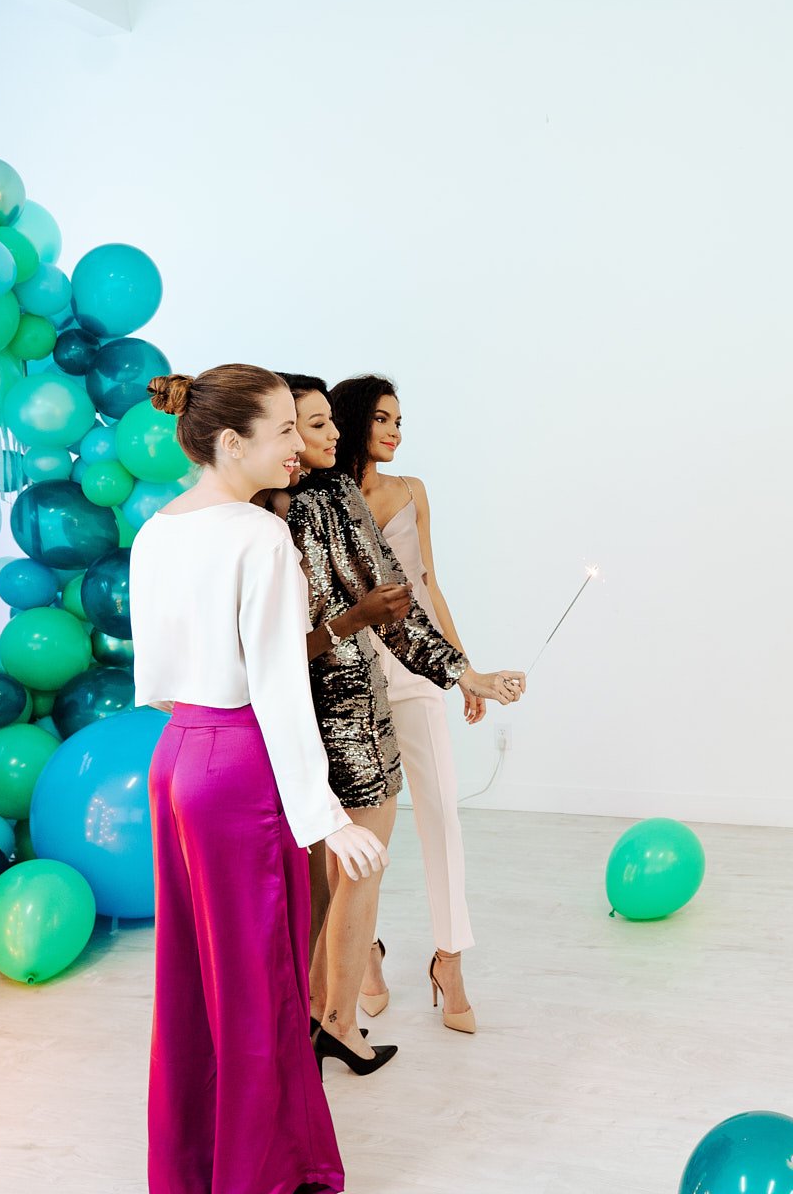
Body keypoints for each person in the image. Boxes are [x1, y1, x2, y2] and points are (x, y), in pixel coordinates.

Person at [130, 363, 386, 1194]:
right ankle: (262, 1176)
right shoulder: (257, 535)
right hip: (240, 765)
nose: (301, 447)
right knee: (261, 983)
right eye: (283, 431)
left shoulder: (156, 529)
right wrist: (325, 816)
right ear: (231, 442)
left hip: (174, 757)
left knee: (194, 982)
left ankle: (199, 1169)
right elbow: (278, 685)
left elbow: (159, 679)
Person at [272, 372, 525, 1074]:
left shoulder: (346, 498)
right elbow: (263, 642)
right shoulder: (256, 513)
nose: (329, 435)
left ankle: (362, 1003)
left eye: (328, 423)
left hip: (365, 699)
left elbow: (407, 596)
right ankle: (325, 1010)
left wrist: (463, 671)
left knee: (374, 856)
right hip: (289, 715)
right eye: (311, 424)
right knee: (319, 877)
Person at [329, 374, 480, 1033]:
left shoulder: (413, 492)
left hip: (416, 669)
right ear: (354, 422)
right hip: (351, 679)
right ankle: (363, 949)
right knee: (356, 834)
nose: (396, 431)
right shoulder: (321, 499)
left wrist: (465, 667)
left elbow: (430, 585)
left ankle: (450, 958)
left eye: (401, 420)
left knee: (441, 811)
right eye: (384, 419)